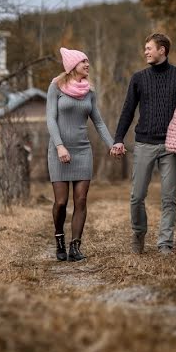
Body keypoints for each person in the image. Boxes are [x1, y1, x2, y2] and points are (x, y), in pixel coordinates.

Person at [111, 33, 176, 256]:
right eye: (145, 48)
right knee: (136, 197)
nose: (145, 51)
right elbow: (128, 111)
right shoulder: (138, 78)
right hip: (144, 143)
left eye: (149, 48)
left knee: (168, 198)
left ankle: (165, 243)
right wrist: (118, 138)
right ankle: (138, 234)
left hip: (171, 146)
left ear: (162, 50)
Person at [46, 47, 115, 261]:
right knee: (60, 202)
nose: (87, 65)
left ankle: (75, 246)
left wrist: (113, 144)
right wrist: (59, 146)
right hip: (59, 151)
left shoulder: (89, 92)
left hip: (83, 151)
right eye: (83, 61)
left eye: (88, 61)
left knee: (81, 200)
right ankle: (59, 239)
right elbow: (50, 119)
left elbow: (99, 122)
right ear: (72, 66)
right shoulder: (55, 87)